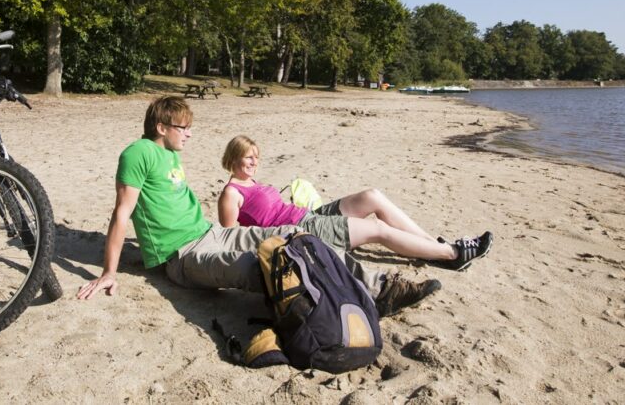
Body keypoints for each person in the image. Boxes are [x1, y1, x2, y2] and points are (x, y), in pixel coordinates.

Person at [76, 96, 441, 316]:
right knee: (268, 266)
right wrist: (110, 271)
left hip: (210, 233)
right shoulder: (138, 153)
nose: (189, 133)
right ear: (161, 126)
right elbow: (122, 213)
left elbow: (166, 207)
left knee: (298, 238)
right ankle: (361, 296)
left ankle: (381, 285)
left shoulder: (170, 155)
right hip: (181, 258)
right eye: (183, 127)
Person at [217, 135, 492, 271]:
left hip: (309, 215)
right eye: (248, 157)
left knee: (372, 196)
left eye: (256, 157)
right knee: (376, 229)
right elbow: (233, 238)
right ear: (234, 158)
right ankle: (454, 255)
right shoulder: (231, 193)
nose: (254, 162)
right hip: (300, 230)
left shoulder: (252, 183)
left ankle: (436, 248)